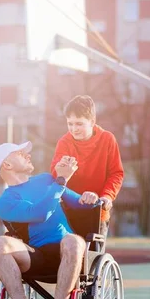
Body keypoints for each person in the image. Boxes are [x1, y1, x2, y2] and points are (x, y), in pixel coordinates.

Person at [0, 140, 96, 299]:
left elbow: (81, 203)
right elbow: (40, 213)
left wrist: (90, 197)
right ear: (7, 165)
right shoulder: (4, 202)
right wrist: (61, 180)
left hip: (69, 252)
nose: (28, 155)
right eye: (21, 154)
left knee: (73, 240)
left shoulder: (47, 180)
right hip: (34, 257)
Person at [50, 95, 124, 236]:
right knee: (69, 252)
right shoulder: (64, 142)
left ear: (92, 121)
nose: (73, 129)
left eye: (79, 124)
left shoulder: (107, 139)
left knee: (91, 255)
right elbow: (56, 175)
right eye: (70, 123)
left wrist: (107, 196)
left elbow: (116, 173)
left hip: (97, 212)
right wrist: (60, 171)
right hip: (68, 211)